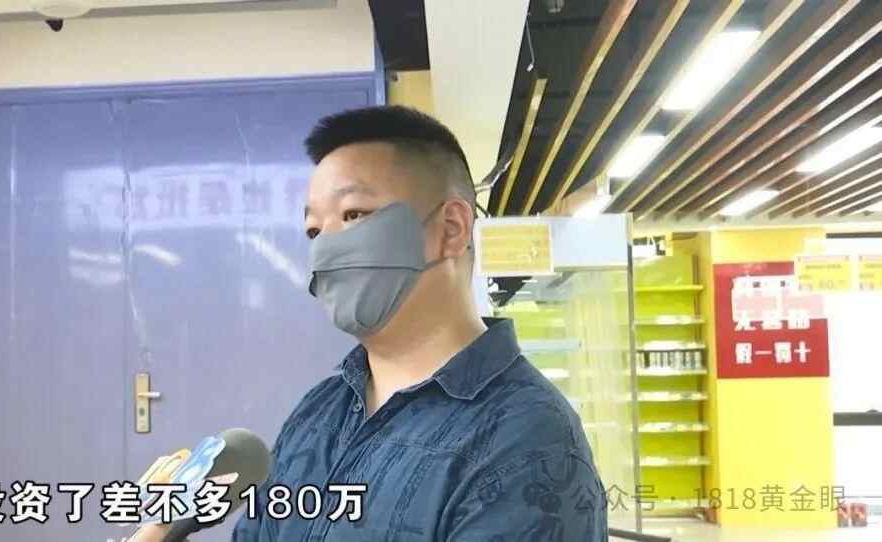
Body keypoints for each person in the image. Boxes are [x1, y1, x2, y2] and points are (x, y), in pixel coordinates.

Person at [138, 105, 608, 541]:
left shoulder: (528, 442)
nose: (324, 248)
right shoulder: (320, 409)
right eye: (313, 230)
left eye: (354, 215)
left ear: (450, 229)